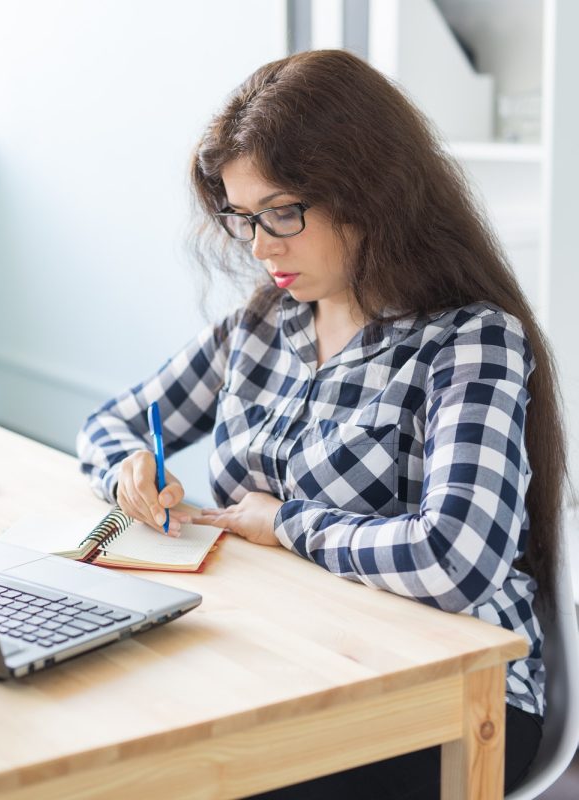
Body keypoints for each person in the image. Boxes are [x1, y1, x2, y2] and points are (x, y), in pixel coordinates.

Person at [76, 49, 566, 799]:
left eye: (282, 213)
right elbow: (110, 422)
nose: (261, 246)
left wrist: (287, 525)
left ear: (369, 192)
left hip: (457, 696)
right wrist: (130, 470)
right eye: (243, 219)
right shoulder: (266, 321)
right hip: (294, 651)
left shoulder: (468, 339)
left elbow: (455, 558)